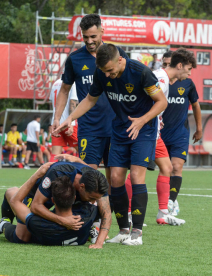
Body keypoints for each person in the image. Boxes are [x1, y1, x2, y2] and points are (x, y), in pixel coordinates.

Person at [55, 44, 168, 245]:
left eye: (111, 71)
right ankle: (123, 230)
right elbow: (89, 99)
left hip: (143, 130)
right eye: (104, 72)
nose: (108, 75)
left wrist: (141, 120)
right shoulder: (102, 74)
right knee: (115, 178)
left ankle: (137, 233)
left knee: (135, 176)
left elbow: (161, 102)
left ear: (120, 60)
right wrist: (70, 118)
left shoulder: (141, 72)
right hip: (119, 129)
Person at [52, 14, 129, 182]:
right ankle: (90, 209)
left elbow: (129, 85)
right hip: (89, 128)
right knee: (88, 177)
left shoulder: (118, 53)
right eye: (85, 37)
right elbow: (64, 90)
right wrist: (57, 118)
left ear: (102, 31)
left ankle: (112, 209)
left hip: (116, 126)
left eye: (93, 36)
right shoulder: (75, 58)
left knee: (115, 179)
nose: (89, 41)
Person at [124, 50, 195, 225]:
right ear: (179, 66)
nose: (190, 73)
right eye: (188, 69)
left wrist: (157, 119)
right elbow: (139, 102)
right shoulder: (160, 79)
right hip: (144, 132)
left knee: (167, 167)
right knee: (136, 172)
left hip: (153, 130)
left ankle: (163, 213)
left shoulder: (164, 79)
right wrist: (146, 120)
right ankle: (127, 212)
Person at [0, 155, 111, 249]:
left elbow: (106, 213)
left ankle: (91, 229)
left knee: (99, 207)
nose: (94, 201)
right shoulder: (57, 173)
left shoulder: (97, 182)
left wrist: (99, 243)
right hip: (42, 193)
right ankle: (2, 224)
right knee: (23, 237)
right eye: (92, 198)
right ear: (81, 187)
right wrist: (63, 221)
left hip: (69, 196)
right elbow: (36, 206)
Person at [158, 50, 201, 216]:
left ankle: (171, 201)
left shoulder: (187, 84)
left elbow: (196, 105)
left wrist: (199, 128)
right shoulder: (159, 81)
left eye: (170, 63)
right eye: (165, 63)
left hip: (180, 133)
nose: (168, 66)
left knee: (176, 166)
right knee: (164, 169)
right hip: (160, 133)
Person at [50, 79, 79, 160]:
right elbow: (72, 104)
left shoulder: (55, 83)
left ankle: (50, 172)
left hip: (56, 123)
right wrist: (71, 122)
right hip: (68, 123)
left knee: (55, 156)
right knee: (84, 153)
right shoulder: (73, 83)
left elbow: (53, 102)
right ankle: (87, 172)